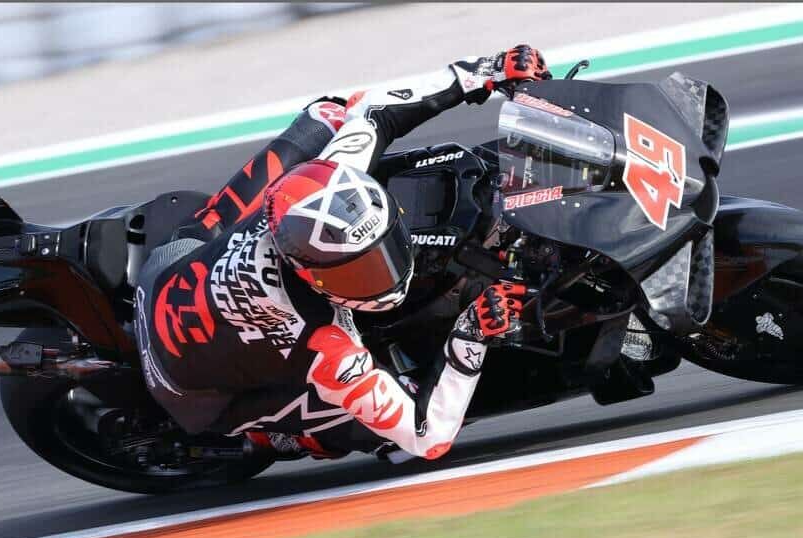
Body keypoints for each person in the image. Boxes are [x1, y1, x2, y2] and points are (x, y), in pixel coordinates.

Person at [134, 45, 552, 461]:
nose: (383, 275)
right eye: (357, 272)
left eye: (380, 253)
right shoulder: (326, 346)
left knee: (330, 113)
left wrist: (484, 72)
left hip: (174, 262)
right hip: (187, 390)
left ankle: (209, 220)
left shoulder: (330, 182)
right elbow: (429, 437)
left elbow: (373, 111)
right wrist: (470, 333)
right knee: (393, 421)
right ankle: (284, 437)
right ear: (309, 273)